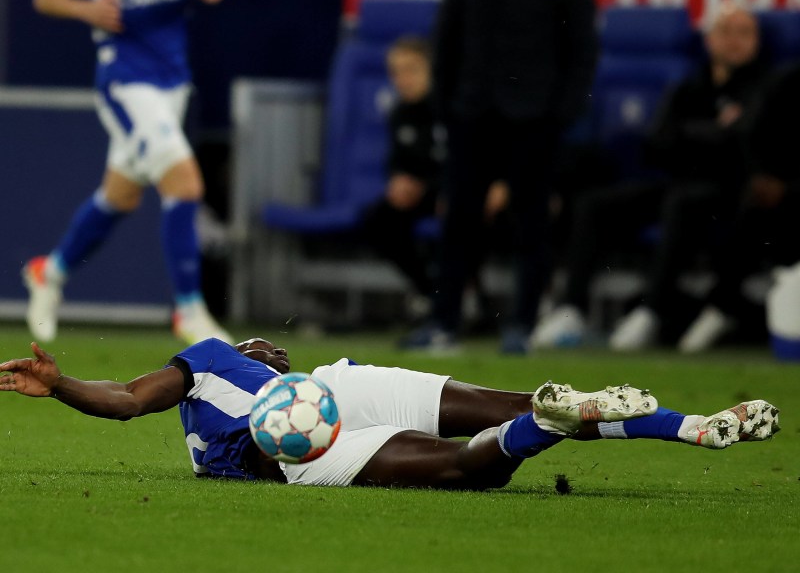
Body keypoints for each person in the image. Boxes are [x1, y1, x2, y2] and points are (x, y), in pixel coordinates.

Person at [0, 338, 780, 488]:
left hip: (292, 445)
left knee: (466, 467)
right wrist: (64, 385)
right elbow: (126, 400)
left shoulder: (202, 364)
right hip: (334, 388)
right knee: (505, 405)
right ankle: (694, 427)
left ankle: (547, 425)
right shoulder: (218, 356)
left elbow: (127, 401)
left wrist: (61, 386)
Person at [533, 1, 769, 351]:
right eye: (726, 31)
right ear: (709, 40)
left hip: (731, 192)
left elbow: (743, 144)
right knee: (594, 205)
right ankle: (571, 309)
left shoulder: (766, 88)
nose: (734, 41)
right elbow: (658, 142)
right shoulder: (689, 84)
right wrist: (713, 133)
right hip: (677, 182)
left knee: (681, 204)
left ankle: (650, 312)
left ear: (757, 41)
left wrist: (692, 135)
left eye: (744, 33)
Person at [23, 0, 232, 345]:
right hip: (127, 81)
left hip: (173, 81)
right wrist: (85, 9)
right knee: (184, 185)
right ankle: (189, 311)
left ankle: (48, 272)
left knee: (121, 196)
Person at [403, 0, 598, 354]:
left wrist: (559, 116)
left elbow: (582, 50)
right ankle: (443, 323)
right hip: (471, 115)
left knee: (531, 225)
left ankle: (522, 325)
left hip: (535, 120)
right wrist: (446, 108)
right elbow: (447, 41)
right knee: (457, 222)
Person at [360, 36, 508, 322]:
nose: (403, 79)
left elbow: (476, 158)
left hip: (463, 189)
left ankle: (472, 301)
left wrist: (450, 190)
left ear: (432, 69)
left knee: (463, 214)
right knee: (378, 218)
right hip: (425, 192)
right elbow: (397, 161)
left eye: (411, 69)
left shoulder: (456, 107)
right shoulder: (400, 112)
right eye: (396, 72)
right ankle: (431, 291)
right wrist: (399, 181)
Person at [678, 61, 800, 352]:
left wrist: (790, 189)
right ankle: (720, 308)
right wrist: (761, 177)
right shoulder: (788, 81)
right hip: (780, 193)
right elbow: (752, 132)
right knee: (750, 209)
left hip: (793, 191)